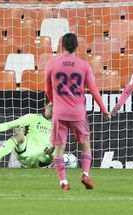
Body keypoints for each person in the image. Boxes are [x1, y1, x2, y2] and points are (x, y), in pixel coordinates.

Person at [45, 32, 110, 190]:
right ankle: (85, 174)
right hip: (78, 113)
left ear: (61, 46)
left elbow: (47, 89)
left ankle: (63, 182)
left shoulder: (52, 64)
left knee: (60, 148)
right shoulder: (83, 65)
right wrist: (104, 109)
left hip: (59, 113)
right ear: (76, 46)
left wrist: (55, 102)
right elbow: (94, 90)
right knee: (85, 145)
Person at [0, 103, 54, 168]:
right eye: (51, 105)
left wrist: (52, 148)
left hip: (44, 158)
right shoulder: (33, 117)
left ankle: (58, 166)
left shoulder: (59, 125)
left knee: (58, 145)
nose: (53, 108)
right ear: (45, 106)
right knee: (19, 135)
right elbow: (10, 125)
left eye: (55, 106)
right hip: (27, 152)